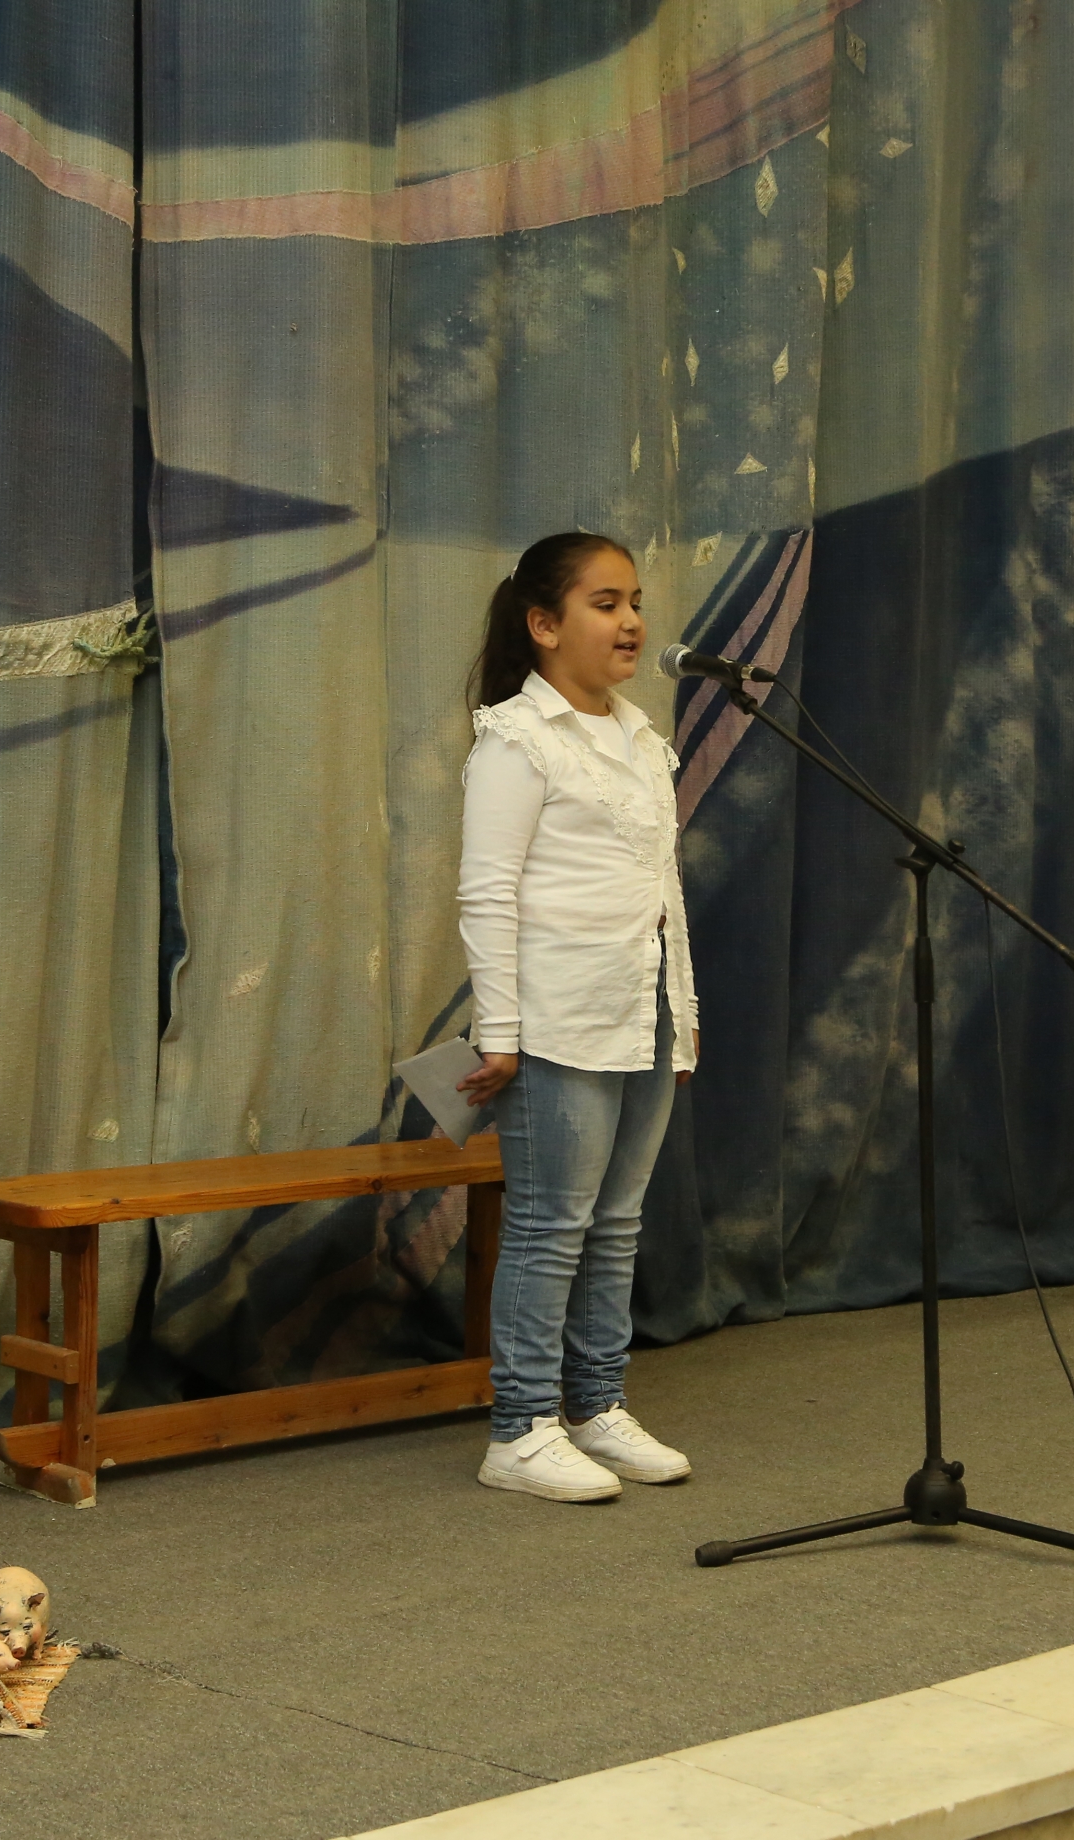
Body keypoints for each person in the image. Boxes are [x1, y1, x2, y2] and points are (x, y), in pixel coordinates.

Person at [455, 531, 700, 1503]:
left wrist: (681, 1010)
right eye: (606, 604)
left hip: (641, 1006)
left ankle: (597, 1404)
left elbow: (661, 886)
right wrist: (501, 1031)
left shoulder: (641, 738)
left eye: (635, 602)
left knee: (617, 1220)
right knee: (551, 1223)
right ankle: (520, 1427)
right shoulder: (517, 739)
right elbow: (487, 891)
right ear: (544, 624)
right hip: (557, 1018)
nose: (631, 621)